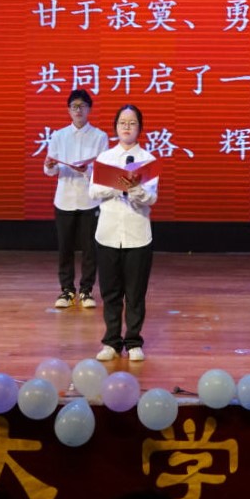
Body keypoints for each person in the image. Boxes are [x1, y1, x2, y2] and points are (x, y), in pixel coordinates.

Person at [90, 104, 158, 362]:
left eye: (132, 123)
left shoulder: (148, 160)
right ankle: (111, 342)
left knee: (135, 292)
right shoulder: (105, 158)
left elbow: (151, 198)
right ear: (115, 127)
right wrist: (118, 186)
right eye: (122, 123)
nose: (127, 127)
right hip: (108, 233)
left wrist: (135, 189)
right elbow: (93, 192)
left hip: (137, 234)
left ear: (140, 128)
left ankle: (133, 342)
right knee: (110, 292)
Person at [42, 88, 106, 310]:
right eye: (74, 106)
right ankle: (67, 290)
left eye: (82, 106)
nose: (78, 110)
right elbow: (50, 170)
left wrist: (86, 169)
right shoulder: (58, 136)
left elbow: (103, 171)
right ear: (68, 110)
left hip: (90, 199)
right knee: (65, 248)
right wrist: (50, 165)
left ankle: (86, 290)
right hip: (65, 199)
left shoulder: (100, 136)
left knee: (90, 249)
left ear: (89, 109)